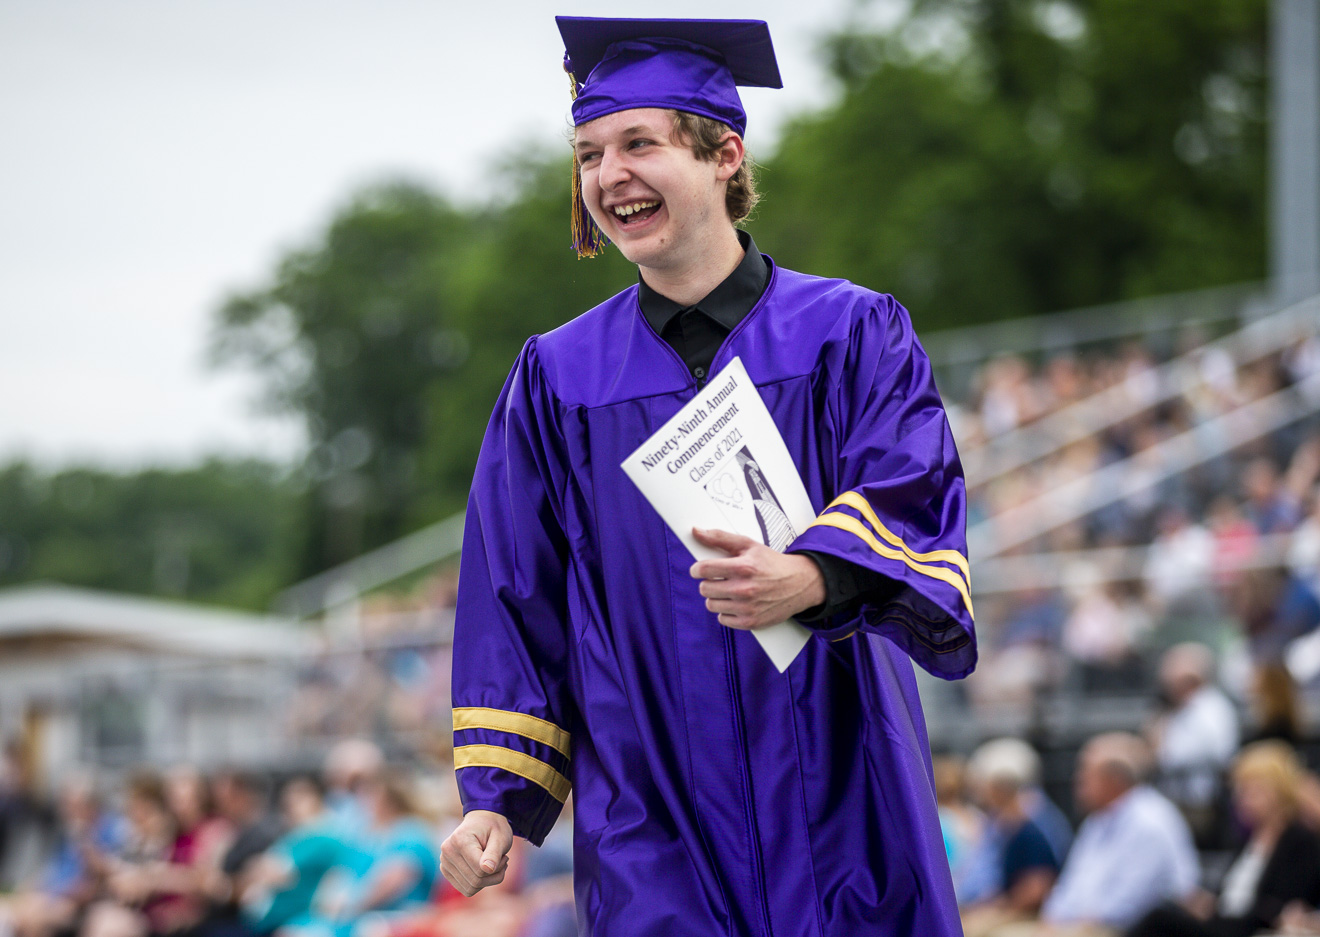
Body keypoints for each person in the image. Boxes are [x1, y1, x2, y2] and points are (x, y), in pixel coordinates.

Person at [440, 15, 976, 936]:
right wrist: (495, 800)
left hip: (840, 782)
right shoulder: (558, 379)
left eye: (638, 143)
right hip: (652, 807)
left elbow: (912, 482)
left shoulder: (851, 333)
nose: (608, 175)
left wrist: (813, 575)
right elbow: (514, 589)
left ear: (725, 154)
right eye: (589, 154)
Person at [1129, 740, 1320, 937]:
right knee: (1164, 909)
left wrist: (1223, 910)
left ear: (1279, 793)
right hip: (1224, 922)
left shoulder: (1299, 842)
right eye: (1240, 791)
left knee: (1158, 921)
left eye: (1252, 791)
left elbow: (1285, 906)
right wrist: (1208, 903)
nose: (1242, 800)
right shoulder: (1250, 839)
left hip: (1249, 928)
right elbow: (1229, 894)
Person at [1036, 733, 1198, 936]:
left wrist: (1077, 925)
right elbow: (1071, 884)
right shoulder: (1096, 821)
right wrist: (1053, 918)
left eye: (1086, 772)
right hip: (1084, 925)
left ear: (1114, 779)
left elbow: (1132, 904)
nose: (1078, 780)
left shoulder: (1150, 822)